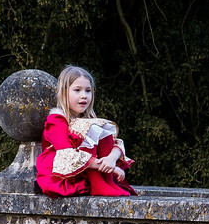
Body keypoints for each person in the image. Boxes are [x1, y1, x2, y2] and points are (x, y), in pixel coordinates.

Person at [36, 66, 136, 197]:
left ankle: (104, 181)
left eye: (88, 91)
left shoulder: (89, 119)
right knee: (87, 127)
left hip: (86, 170)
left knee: (96, 127)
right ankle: (99, 184)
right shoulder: (56, 120)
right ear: (64, 92)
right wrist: (110, 167)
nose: (84, 96)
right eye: (77, 90)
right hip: (61, 174)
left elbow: (116, 143)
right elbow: (67, 154)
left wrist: (111, 160)